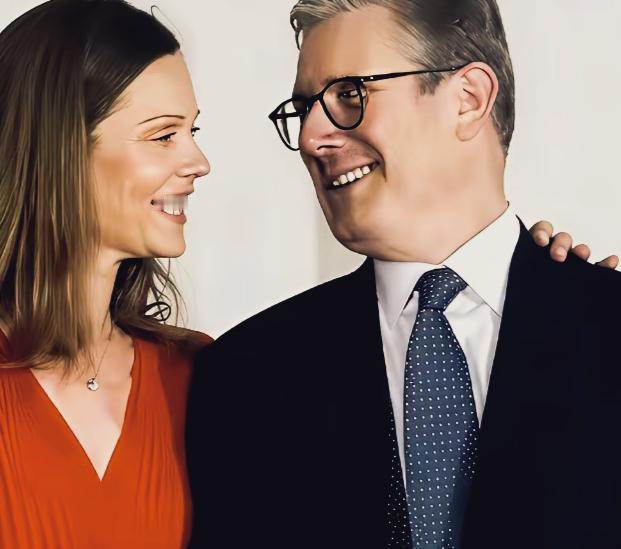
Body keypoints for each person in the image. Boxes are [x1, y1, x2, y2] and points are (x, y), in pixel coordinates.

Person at [186, 1, 621, 548]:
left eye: (350, 95)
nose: (311, 138)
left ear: (468, 98)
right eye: (303, 109)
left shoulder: (605, 324)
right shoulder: (244, 377)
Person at [0, 1, 210, 547]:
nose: (199, 162)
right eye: (164, 135)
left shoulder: (199, 375)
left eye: (192, 130)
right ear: (62, 146)